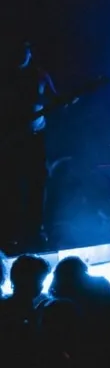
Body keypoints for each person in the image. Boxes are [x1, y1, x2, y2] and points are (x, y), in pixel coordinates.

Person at [0, 39, 57, 252]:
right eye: (17, 52)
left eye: (24, 52)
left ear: (30, 53)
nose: (21, 56)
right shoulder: (6, 78)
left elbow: (54, 98)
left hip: (35, 136)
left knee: (37, 182)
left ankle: (35, 230)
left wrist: (63, 102)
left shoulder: (41, 75)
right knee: (11, 184)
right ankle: (11, 231)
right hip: (12, 138)